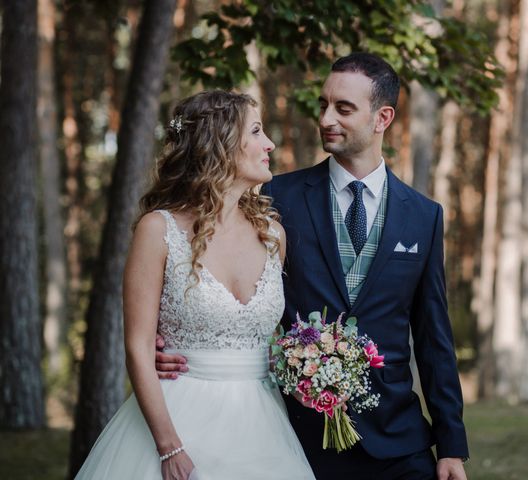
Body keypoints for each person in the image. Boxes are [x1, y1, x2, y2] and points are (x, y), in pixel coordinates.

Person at [158, 53, 470, 480]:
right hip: (298, 439)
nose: (326, 118)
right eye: (323, 104)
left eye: (343, 108)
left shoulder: (423, 215)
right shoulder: (273, 200)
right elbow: (212, 270)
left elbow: (434, 337)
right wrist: (176, 337)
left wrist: (451, 445)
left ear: (383, 118)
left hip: (400, 441)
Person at [75, 90, 315, 480]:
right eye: (256, 131)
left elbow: (269, 334)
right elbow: (137, 346)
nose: (269, 143)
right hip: (178, 420)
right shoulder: (159, 230)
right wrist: (170, 447)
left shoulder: (273, 235)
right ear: (219, 145)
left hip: (263, 424)